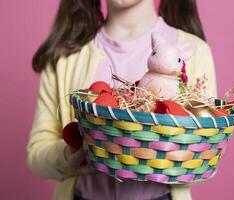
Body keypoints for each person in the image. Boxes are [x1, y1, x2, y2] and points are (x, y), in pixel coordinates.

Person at [27, 0, 218, 199]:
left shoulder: (194, 50)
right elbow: (37, 153)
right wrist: (69, 156)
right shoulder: (65, 55)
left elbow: (207, 157)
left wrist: (165, 155)